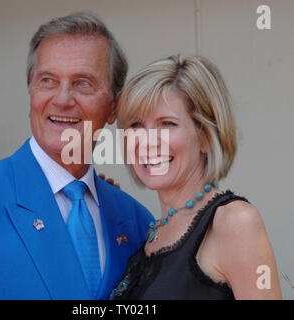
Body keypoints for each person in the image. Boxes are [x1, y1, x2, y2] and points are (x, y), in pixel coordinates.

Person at [0, 12, 153, 300]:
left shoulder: (136, 220)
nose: (62, 100)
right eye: (48, 80)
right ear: (31, 93)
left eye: (83, 83)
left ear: (114, 106)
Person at [112, 54, 282, 299]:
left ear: (205, 135)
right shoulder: (149, 233)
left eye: (167, 124)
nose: (148, 142)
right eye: (136, 125)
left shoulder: (234, 223)